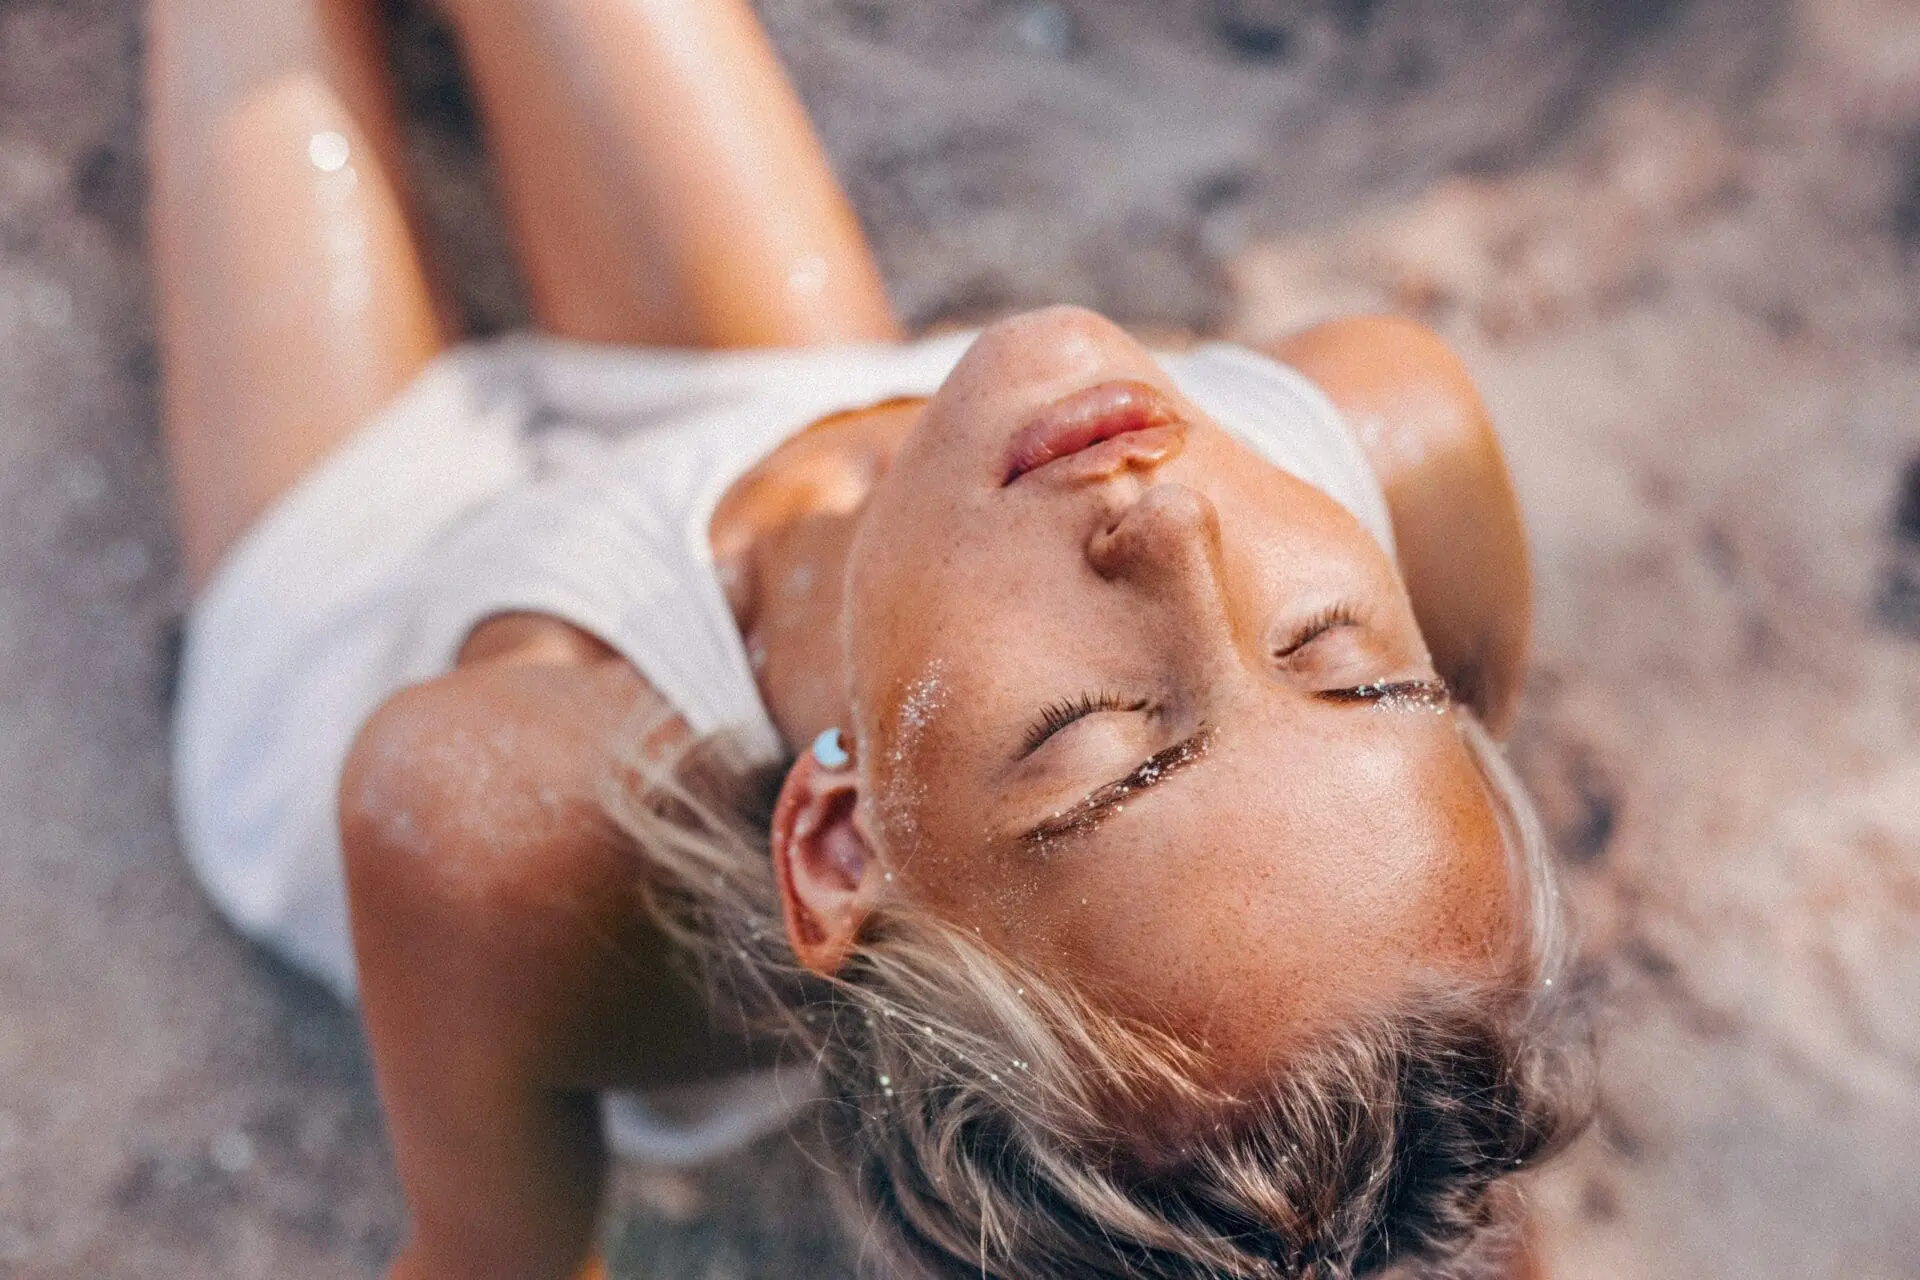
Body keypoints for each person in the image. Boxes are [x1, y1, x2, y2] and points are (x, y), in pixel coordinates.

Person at [151, 0, 1591, 1275]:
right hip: (811, 435)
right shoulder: (1384, 447)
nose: (1174, 536)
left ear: (841, 841)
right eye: (1344, 663)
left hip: (392, 588)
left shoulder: (492, 826)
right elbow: (1414, 1067)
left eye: (1096, 739)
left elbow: (492, 1261)